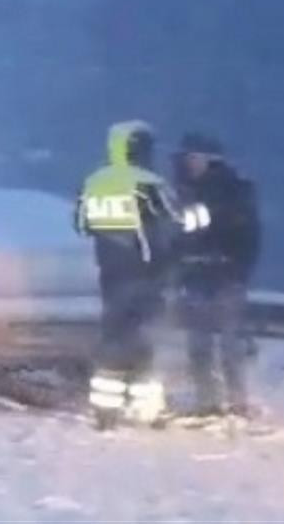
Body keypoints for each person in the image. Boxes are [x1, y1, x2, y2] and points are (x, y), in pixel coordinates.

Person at [76, 121, 182, 427]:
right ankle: (146, 409)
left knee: (114, 337)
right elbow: (175, 219)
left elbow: (81, 225)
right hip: (149, 272)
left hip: (110, 272)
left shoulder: (95, 182)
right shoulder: (148, 182)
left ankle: (105, 410)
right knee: (144, 338)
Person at [173, 132, 260, 417]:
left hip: (223, 277)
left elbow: (247, 237)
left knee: (226, 343)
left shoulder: (231, 193)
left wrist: (235, 269)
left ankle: (234, 402)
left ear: (209, 160)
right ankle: (208, 401)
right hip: (198, 277)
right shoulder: (187, 193)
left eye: (193, 157)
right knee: (200, 344)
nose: (188, 163)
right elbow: (180, 238)